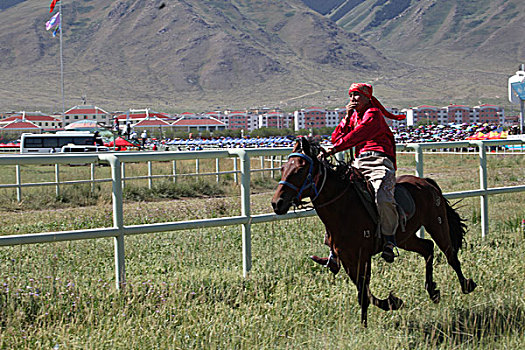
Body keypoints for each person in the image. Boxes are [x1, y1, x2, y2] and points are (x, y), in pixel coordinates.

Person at [311, 83, 406, 270]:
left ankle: (389, 239)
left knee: (382, 195)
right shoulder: (354, 116)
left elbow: (355, 136)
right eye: (351, 96)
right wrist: (346, 117)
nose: (353, 99)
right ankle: (333, 250)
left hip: (379, 161)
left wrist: (334, 150)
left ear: (367, 97)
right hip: (359, 162)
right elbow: (336, 137)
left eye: (357, 96)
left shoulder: (373, 114)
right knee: (337, 198)